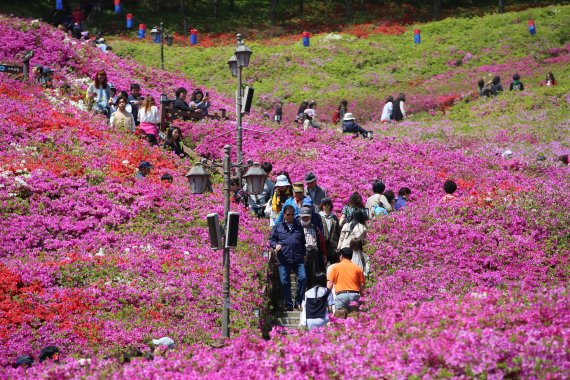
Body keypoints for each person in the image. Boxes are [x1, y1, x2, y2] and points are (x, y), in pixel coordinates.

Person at [269, 205, 307, 311]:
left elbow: (303, 242)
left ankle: (298, 301)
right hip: (283, 258)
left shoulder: (299, 226)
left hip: (298, 258)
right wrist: (275, 245)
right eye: (288, 214)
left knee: (303, 278)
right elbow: (272, 240)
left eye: (292, 214)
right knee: (284, 281)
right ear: (284, 214)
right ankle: (289, 303)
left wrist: (303, 254)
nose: (290, 216)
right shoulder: (278, 227)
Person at [327, 248, 365, 318]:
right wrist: (363, 299)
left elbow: (330, 283)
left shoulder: (335, 267)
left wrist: (326, 296)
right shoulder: (358, 268)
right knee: (354, 319)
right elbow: (362, 286)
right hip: (354, 295)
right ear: (351, 256)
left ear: (341, 256)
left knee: (340, 320)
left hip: (341, 296)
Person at [300, 207, 327, 289]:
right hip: (303, 254)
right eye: (303, 217)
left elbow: (321, 242)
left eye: (307, 217)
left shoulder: (315, 228)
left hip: (314, 253)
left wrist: (324, 254)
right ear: (300, 217)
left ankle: (312, 292)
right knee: (303, 276)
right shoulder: (297, 228)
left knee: (314, 274)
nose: (305, 218)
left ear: (310, 217)